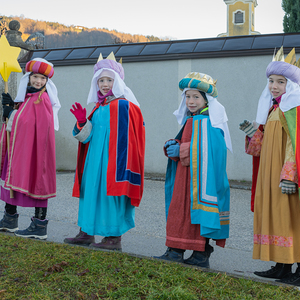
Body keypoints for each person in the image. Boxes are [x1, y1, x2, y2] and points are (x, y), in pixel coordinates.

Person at [64, 52, 145, 251]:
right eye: (101, 80)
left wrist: (121, 165)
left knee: (111, 196)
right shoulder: (99, 107)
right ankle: (86, 232)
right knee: (90, 193)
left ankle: (113, 236)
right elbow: (86, 137)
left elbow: (130, 139)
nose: (105, 84)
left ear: (117, 81)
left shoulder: (125, 105)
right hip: (93, 161)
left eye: (109, 79)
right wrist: (82, 122)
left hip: (113, 162)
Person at [155, 72, 232, 268]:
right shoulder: (191, 119)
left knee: (197, 213)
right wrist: (173, 146)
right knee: (180, 210)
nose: (190, 101)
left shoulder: (210, 121)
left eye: (196, 97)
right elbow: (189, 144)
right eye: (188, 96)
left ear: (206, 99)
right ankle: (176, 250)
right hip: (185, 177)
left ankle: (200, 253)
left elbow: (213, 149)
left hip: (201, 179)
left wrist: (181, 149)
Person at [239, 48, 300, 286]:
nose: (273, 86)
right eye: (271, 81)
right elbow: (261, 148)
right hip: (269, 173)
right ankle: (282, 265)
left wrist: (290, 175)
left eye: (280, 82)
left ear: (292, 84)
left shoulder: (295, 110)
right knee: (275, 215)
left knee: (291, 217)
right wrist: (253, 133)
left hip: (286, 175)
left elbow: (296, 144)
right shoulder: (273, 109)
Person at [0, 57, 61, 239]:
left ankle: (39, 225)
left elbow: (30, 122)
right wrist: (11, 108)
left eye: (43, 78)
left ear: (47, 82)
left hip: (37, 151)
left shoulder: (42, 99)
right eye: (35, 77)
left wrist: (11, 113)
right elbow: (20, 120)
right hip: (21, 147)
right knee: (10, 175)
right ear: (28, 77)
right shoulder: (28, 97)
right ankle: (10, 219)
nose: (38, 81)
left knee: (38, 181)